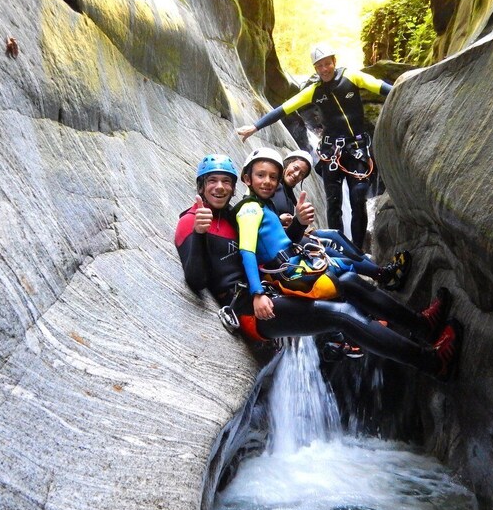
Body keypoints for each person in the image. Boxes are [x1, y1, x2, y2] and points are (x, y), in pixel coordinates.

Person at [175, 153, 462, 379]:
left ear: (235, 185)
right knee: (342, 314)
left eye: (226, 181)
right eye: (212, 181)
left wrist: (298, 223)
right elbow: (196, 279)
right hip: (250, 308)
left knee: (348, 280)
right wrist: (200, 235)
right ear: (201, 185)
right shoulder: (192, 220)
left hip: (268, 291)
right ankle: (432, 363)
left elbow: (269, 249)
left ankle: (422, 325)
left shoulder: (232, 215)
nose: (220, 187)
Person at [236, 44, 392, 249]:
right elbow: (283, 110)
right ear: (315, 69)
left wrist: (408, 90)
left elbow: (381, 87)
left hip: (356, 147)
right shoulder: (313, 91)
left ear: (334, 62)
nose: (325, 69)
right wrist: (255, 127)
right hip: (331, 152)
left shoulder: (352, 78)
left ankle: (358, 249)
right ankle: (340, 248)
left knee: (358, 197)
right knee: (334, 203)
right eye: (320, 66)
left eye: (327, 63)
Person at [272, 149, 411, 291]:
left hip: (293, 234)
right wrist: (280, 219)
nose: (296, 175)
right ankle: (383, 275)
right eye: (295, 169)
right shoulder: (272, 186)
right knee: (329, 246)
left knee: (335, 234)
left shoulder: (288, 192)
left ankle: (373, 267)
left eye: (302, 174)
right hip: (284, 240)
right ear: (286, 164)